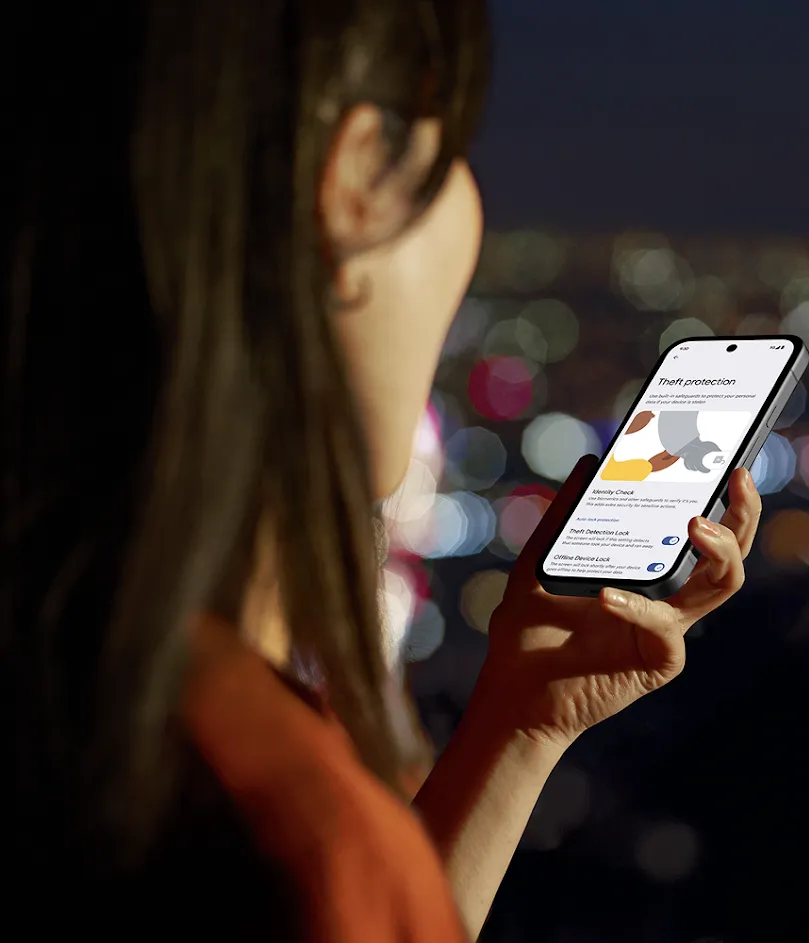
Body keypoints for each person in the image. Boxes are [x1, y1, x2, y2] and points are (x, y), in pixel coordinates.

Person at [2, 0, 762, 939]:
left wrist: (519, 722)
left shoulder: (88, 678)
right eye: (451, 159)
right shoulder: (273, 822)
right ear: (353, 179)